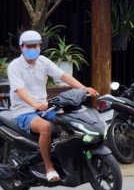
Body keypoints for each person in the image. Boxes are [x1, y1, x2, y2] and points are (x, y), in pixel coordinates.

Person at [7, 30, 97, 182]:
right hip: (24, 111)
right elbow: (20, 90)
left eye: (35, 46)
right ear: (21, 48)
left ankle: (64, 157)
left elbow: (63, 76)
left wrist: (84, 88)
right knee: (45, 128)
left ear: (40, 47)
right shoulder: (15, 66)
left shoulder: (43, 61)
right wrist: (36, 105)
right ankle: (49, 168)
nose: (32, 49)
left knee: (69, 119)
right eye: (28, 46)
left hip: (45, 107)